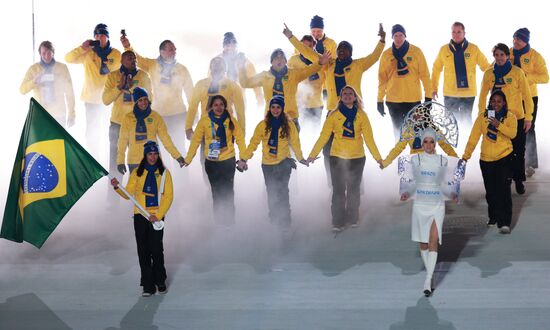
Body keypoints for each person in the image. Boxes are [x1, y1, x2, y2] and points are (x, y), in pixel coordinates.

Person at [285, 23, 385, 185]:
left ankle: (357, 185)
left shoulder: (358, 65)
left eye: (345, 49)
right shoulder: (329, 65)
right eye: (340, 49)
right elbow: (309, 53)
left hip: (355, 112)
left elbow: (374, 57)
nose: (341, 51)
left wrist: (382, 40)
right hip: (333, 111)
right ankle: (332, 182)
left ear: (350, 52)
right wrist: (291, 37)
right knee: (327, 149)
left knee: (355, 150)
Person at [307, 86, 383, 231]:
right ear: (340, 98)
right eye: (345, 94)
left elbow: (369, 139)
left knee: (354, 190)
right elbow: (324, 137)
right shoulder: (333, 115)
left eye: (350, 94)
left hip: (357, 158)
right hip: (337, 157)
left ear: (355, 98)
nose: (348, 96)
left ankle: (353, 218)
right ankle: (337, 222)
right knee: (338, 190)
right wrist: (312, 154)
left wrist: (378, 158)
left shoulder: (362, 115)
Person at [399, 128, 459, 297]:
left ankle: (428, 278)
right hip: (420, 204)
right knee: (423, 244)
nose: (428, 145)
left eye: (431, 141)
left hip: (437, 204)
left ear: (435, 143)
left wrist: (452, 194)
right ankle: (430, 274)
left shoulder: (442, 161)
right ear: (422, 143)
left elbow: (444, 184)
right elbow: (414, 183)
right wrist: (406, 193)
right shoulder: (415, 159)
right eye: (425, 141)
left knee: (433, 241)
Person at [110, 140, 173, 297]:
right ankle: (148, 285)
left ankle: (160, 281)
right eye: (150, 154)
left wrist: (157, 215)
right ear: (145, 155)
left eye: (155, 153)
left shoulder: (165, 173)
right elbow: (128, 194)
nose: (152, 157)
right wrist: (117, 187)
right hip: (140, 216)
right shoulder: (137, 172)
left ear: (158, 155)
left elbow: (168, 197)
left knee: (157, 250)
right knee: (143, 250)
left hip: (157, 216)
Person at [238, 96, 307, 232]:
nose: (275, 110)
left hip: (284, 163)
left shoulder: (289, 124)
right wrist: (244, 159)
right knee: (271, 193)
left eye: (278, 107)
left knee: (283, 192)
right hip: (268, 165)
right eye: (273, 107)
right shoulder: (262, 125)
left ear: (282, 109)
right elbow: (253, 144)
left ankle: (285, 224)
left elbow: (295, 143)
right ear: (269, 109)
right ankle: (275, 221)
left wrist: (301, 158)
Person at [121, 36, 194, 156]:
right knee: (161, 152)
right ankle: (165, 175)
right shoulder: (152, 65)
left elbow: (191, 94)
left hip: (178, 115)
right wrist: (127, 46)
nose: (174, 52)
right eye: (171, 49)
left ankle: (182, 175)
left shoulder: (182, 69)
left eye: (175, 49)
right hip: (159, 115)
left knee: (179, 149)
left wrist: (192, 118)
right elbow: (137, 59)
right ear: (162, 52)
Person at [478, 43, 533, 194]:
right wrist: (482, 116)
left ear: (508, 56)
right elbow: (483, 97)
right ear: (494, 56)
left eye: (502, 54)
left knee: (518, 151)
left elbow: (528, 97)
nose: (500, 58)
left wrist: (528, 118)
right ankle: (506, 179)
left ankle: (519, 180)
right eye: (497, 55)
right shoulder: (489, 74)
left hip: (516, 118)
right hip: (494, 116)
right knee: (501, 152)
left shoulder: (517, 72)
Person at [183, 95, 246, 225]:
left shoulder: (231, 120)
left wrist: (243, 159)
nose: (219, 107)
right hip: (211, 163)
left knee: (228, 192)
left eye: (221, 105)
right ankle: (219, 223)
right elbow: (195, 141)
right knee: (216, 192)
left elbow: (240, 139)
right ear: (210, 107)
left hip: (228, 160)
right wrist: (188, 159)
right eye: (216, 105)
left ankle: (230, 223)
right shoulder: (204, 121)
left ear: (225, 106)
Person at [463, 90, 517, 234]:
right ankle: (493, 216)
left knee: (504, 190)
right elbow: (473, 138)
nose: (496, 104)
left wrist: (498, 125)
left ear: (504, 102)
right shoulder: (483, 117)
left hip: (504, 157)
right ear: (489, 102)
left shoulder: (510, 117)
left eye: (499, 101)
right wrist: (465, 156)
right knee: (491, 192)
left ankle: (504, 222)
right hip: (486, 160)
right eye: (493, 101)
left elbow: (513, 134)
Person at [238, 46, 329, 131]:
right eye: (276, 58)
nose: (279, 60)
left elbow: (308, 70)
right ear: (272, 62)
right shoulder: (264, 76)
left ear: (285, 61)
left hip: (291, 119)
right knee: (271, 147)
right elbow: (246, 83)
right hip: (270, 119)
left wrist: (320, 62)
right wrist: (241, 67)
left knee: (292, 148)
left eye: (282, 58)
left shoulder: (293, 74)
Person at [65, 23, 121, 156]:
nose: (99, 37)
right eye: (96, 35)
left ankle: (111, 161)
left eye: (102, 35)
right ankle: (94, 162)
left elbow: (119, 69)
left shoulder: (116, 54)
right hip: (91, 100)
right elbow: (68, 58)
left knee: (111, 134)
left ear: (107, 37)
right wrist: (82, 47)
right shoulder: (87, 52)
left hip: (109, 100)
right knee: (91, 134)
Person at [431, 22, 490, 129]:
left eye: (459, 32)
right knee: (450, 122)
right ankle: (451, 145)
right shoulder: (444, 50)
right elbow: (436, 69)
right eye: (454, 32)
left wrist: (497, 74)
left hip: (468, 93)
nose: (456, 34)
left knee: (466, 121)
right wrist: (433, 88)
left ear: (464, 33)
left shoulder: (473, 49)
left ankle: (467, 143)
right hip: (450, 93)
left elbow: (486, 67)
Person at [377, 24, 431, 140]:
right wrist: (379, 100)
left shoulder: (416, 52)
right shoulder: (386, 55)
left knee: (416, 133)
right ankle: (399, 156)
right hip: (393, 101)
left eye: (401, 35)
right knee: (398, 133)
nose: (398, 38)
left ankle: (415, 156)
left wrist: (428, 97)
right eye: (395, 35)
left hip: (413, 100)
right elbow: (382, 79)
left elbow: (425, 76)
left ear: (405, 36)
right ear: (392, 37)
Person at [103, 50, 152, 175]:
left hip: (137, 124)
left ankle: (137, 192)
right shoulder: (113, 76)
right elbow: (106, 100)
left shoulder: (143, 76)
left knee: (137, 161)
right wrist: (119, 87)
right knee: (115, 162)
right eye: (129, 58)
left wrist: (131, 89)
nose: (133, 61)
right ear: (122, 61)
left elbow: (149, 100)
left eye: (134, 58)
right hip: (117, 125)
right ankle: (114, 192)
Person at [117, 87, 184, 175]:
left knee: (155, 187)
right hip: (134, 161)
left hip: (153, 159)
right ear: (136, 102)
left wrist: (177, 156)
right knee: (137, 188)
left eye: (145, 99)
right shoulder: (128, 118)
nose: (143, 102)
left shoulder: (155, 117)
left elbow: (166, 139)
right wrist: (120, 161)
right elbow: (122, 141)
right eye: (140, 100)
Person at [509, 28, 549, 177]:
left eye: (518, 39)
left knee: (528, 128)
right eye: (514, 38)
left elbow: (545, 77)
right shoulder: (508, 52)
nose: (515, 42)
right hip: (511, 96)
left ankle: (530, 164)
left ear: (525, 41)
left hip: (529, 97)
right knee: (511, 128)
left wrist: (526, 77)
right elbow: (494, 66)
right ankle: (512, 162)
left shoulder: (535, 56)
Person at [381, 104, 458, 168]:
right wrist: (386, 162)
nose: (418, 117)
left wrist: (456, 160)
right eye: (416, 115)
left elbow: (446, 146)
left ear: (426, 116)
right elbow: (398, 148)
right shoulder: (409, 131)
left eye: (421, 115)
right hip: (415, 162)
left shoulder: (434, 129)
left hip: (431, 161)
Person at [186, 57, 245, 140]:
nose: (217, 69)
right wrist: (188, 127)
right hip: (205, 128)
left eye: (220, 67)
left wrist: (242, 131)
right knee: (205, 153)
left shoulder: (232, 85)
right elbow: (192, 107)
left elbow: (240, 111)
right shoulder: (201, 84)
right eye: (215, 66)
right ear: (210, 68)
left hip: (226, 128)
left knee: (227, 153)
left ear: (225, 69)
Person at [20, 40, 76, 127]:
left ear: (53, 53)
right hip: (40, 114)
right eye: (44, 53)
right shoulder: (33, 69)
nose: (46, 56)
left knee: (58, 141)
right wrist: (34, 81)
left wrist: (72, 114)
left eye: (49, 52)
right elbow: (22, 90)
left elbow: (70, 93)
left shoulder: (62, 68)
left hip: (59, 115)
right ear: (40, 54)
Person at [287, 35, 326, 125]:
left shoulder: (320, 59)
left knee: (314, 132)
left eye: (309, 46)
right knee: (299, 132)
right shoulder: (293, 60)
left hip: (316, 104)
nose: (306, 49)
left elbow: (322, 78)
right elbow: (289, 79)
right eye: (303, 46)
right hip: (299, 104)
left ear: (313, 46)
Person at [219, 32, 264, 107]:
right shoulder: (217, 61)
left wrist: (260, 102)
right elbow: (209, 83)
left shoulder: (246, 62)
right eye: (227, 45)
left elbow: (256, 84)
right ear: (223, 46)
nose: (230, 47)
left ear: (236, 46)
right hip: (220, 104)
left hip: (239, 104)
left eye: (233, 45)